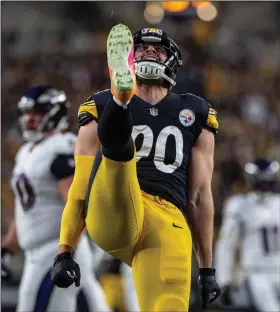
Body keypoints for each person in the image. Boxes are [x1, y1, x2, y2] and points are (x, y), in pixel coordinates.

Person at [51, 24, 221, 311]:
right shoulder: (97, 104)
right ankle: (121, 102)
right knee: (120, 157)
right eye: (141, 48)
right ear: (130, 59)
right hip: (114, 208)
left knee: (168, 306)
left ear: (173, 60)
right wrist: (64, 250)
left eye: (158, 48)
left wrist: (207, 270)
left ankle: (121, 110)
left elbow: (200, 197)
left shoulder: (196, 112)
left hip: (167, 221)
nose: (150, 51)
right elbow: (80, 185)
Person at [1, 86, 110, 312]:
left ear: (54, 113)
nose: (29, 118)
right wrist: (7, 249)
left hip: (58, 249)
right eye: (27, 113)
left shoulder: (61, 149)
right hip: (39, 252)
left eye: (37, 112)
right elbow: (28, 211)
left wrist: (69, 251)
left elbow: (78, 205)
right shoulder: (27, 152)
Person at [215, 159, 280, 312]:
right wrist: (224, 281)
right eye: (262, 183)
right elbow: (226, 245)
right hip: (256, 273)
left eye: (268, 183)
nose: (265, 187)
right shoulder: (239, 205)